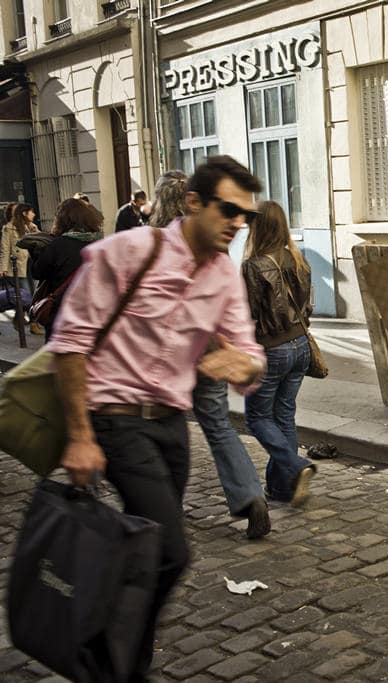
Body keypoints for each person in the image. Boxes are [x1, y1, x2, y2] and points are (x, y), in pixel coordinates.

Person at [48, 155, 266, 680]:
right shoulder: (126, 252)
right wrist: (79, 437)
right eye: (229, 210)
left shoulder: (224, 278)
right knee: (170, 550)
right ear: (193, 203)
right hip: (115, 419)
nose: (238, 223)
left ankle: (124, 663)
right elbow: (70, 345)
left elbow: (247, 352)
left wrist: (244, 363)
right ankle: (104, 653)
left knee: (147, 549)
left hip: (171, 424)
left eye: (247, 217)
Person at [149, 169, 271, 539]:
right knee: (217, 425)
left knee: (160, 426)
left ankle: (163, 509)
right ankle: (251, 497)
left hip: (167, 357)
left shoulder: (150, 243)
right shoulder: (214, 247)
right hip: (211, 349)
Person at [242, 200, 316, 506]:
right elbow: (308, 307)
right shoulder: (298, 258)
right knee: (283, 415)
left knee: (257, 417)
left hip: (273, 348)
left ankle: (296, 465)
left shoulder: (253, 265)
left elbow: (247, 314)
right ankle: (282, 488)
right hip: (300, 345)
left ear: (257, 227)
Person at [30, 199, 104, 340]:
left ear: (62, 220)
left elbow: (37, 272)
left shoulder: (58, 245)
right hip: (93, 311)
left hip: (63, 313)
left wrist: (35, 253)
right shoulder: (100, 243)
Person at [1, 203, 43, 335]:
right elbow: (5, 249)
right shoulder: (9, 229)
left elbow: (42, 242)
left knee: (34, 295)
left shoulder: (31, 227)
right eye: (31, 212)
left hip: (31, 266)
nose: (34, 214)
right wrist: (2, 268)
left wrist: (34, 229)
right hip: (18, 267)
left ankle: (20, 320)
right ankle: (32, 323)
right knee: (27, 297)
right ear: (24, 213)